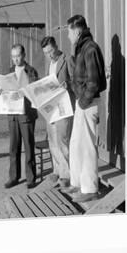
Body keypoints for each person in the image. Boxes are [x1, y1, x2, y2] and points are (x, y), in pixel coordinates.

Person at [61, 15, 107, 203]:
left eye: (69, 32)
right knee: (76, 143)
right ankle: (77, 182)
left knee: (87, 145)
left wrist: (83, 101)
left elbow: (94, 81)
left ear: (77, 31)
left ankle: (90, 189)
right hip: (83, 102)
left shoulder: (90, 48)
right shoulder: (82, 48)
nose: (68, 37)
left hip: (89, 103)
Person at [41, 36, 75, 188]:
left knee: (63, 140)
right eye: (46, 53)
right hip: (51, 107)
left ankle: (67, 174)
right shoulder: (49, 64)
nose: (49, 55)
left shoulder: (67, 59)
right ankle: (57, 170)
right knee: (52, 140)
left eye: (51, 51)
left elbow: (76, 80)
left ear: (56, 46)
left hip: (64, 106)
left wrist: (68, 84)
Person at [4, 44, 39, 190]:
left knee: (29, 146)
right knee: (14, 147)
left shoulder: (31, 71)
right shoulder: (9, 71)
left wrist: (26, 91)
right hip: (12, 114)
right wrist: (1, 90)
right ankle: (14, 177)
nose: (15, 60)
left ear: (24, 55)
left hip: (26, 113)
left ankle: (30, 178)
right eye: (13, 57)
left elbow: (36, 90)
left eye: (18, 56)